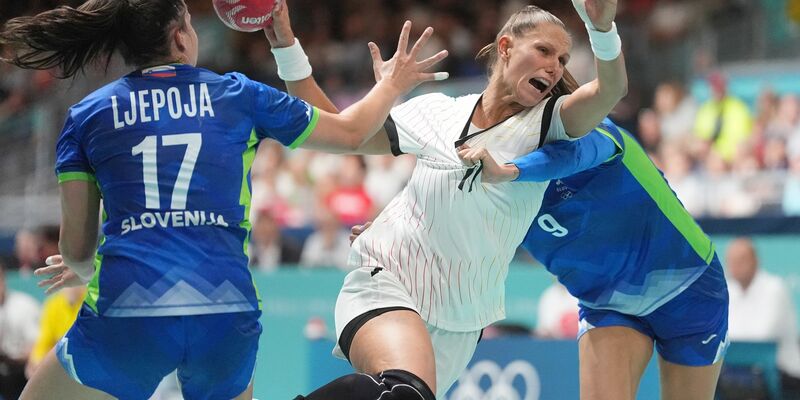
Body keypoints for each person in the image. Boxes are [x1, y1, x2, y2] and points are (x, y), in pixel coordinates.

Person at [0, 0, 447, 398]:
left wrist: (88, 267)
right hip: (224, 310)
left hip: (129, 310)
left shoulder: (88, 116)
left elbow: (75, 251)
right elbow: (350, 131)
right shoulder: (237, 94)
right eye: (191, 25)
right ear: (179, 38)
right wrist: (391, 82)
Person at [264, 0, 628, 397]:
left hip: (462, 319)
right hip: (388, 280)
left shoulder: (551, 125)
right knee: (406, 392)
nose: (555, 66)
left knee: (403, 395)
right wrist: (287, 47)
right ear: (505, 47)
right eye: (543, 50)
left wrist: (602, 30)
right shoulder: (435, 113)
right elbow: (336, 131)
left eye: (561, 58)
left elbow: (611, 89)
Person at [453, 117, 729, 399]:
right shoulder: (488, 191)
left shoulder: (593, 134)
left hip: (688, 288)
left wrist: (511, 171)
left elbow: (577, 153)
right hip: (606, 302)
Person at [725, 237, 800, 396]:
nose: (735, 267)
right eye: (731, 261)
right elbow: (723, 333)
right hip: (739, 369)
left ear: (755, 261)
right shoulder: (729, 289)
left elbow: (763, 335)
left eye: (741, 260)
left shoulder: (775, 288)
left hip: (782, 369)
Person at [0, 262, 41, 400]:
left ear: (3, 279)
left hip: (21, 368)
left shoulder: (24, 305)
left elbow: (38, 344)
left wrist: (18, 357)